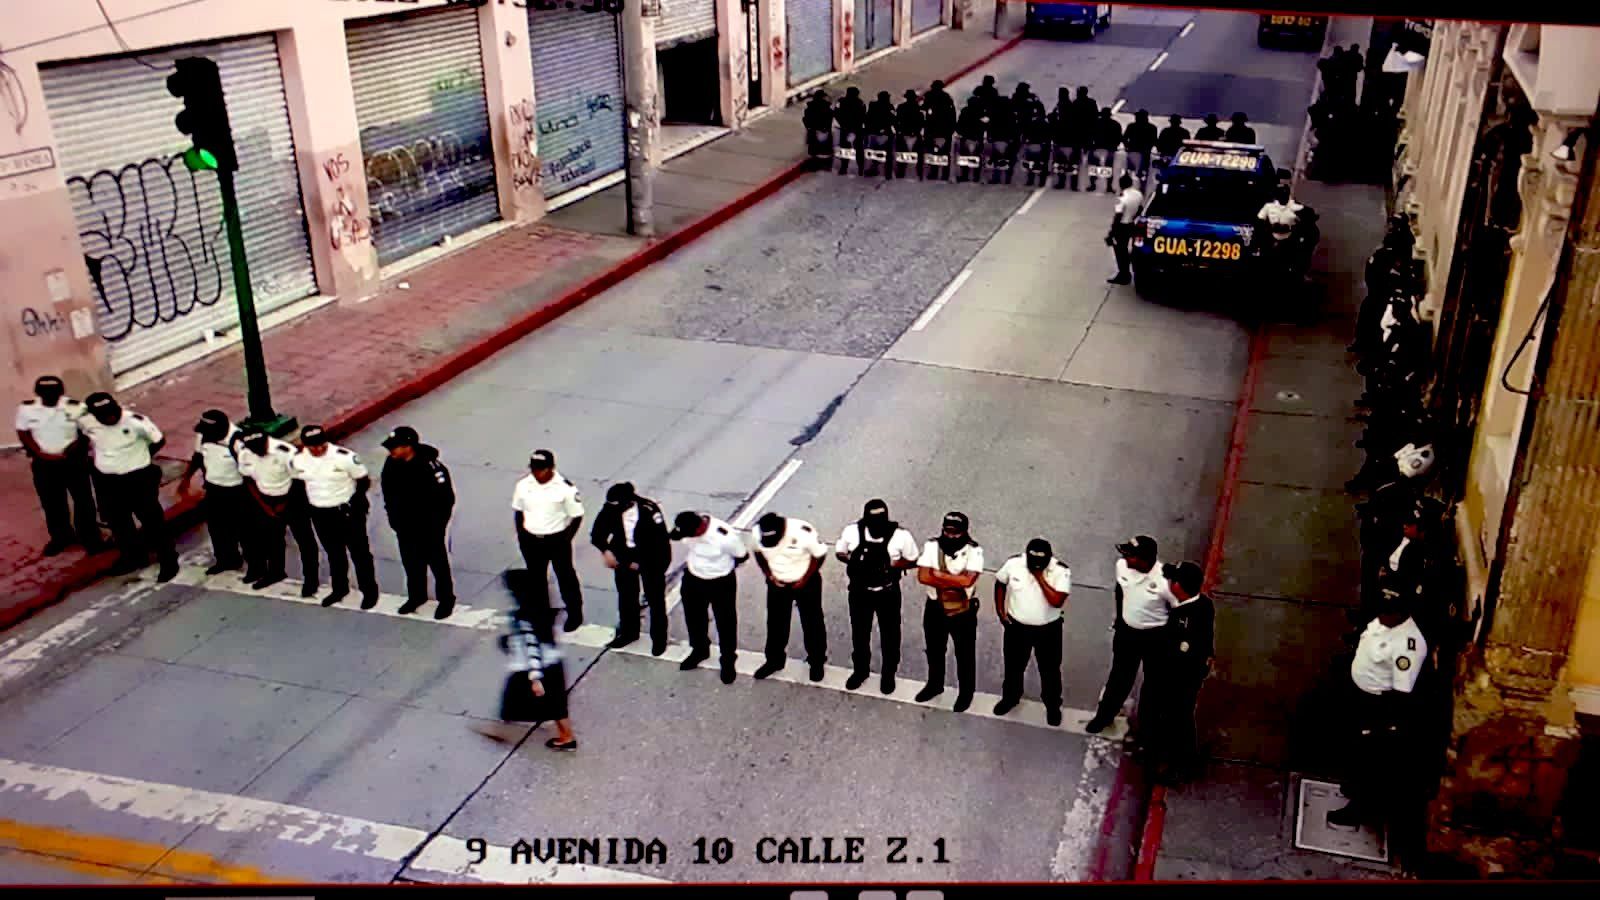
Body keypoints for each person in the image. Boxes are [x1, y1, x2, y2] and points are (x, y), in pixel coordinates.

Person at [1326, 588, 1428, 828]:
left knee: (1369, 760)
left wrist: (1382, 725)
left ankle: (1358, 811)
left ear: (1402, 613)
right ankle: (1352, 784)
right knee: (1352, 747)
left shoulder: (1408, 645)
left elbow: (1401, 694)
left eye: (1389, 613)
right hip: (1358, 694)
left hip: (1377, 705)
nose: (1382, 616)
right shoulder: (1384, 621)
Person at [79, 392, 177, 581]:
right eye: (104, 415)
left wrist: (139, 457)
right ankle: (133, 557)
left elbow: (158, 440)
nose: (110, 417)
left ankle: (168, 559)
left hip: (138, 478)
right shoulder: (87, 422)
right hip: (108, 481)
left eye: (112, 412)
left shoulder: (135, 422)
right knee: (119, 522)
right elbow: (84, 439)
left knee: (151, 520)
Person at [1086, 535, 1172, 733]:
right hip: (1128, 634)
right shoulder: (1122, 566)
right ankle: (1104, 716)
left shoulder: (1165, 581)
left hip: (1155, 637)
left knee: (1153, 684)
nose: (1125, 558)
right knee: (1119, 677)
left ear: (1144, 559)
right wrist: (1120, 618)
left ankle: (1146, 727)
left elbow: (1177, 610)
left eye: (1131, 556)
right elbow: (1120, 589)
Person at [485, 569, 577, 751]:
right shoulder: (544, 610)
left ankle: (500, 730)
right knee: (556, 704)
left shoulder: (524, 616)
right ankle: (567, 737)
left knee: (511, 700)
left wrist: (535, 677)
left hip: (531, 667)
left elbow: (531, 645)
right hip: (554, 663)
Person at [835, 499, 920, 694]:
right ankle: (860, 671)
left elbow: (914, 560)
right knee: (860, 632)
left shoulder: (901, 536)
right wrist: (856, 561)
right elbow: (840, 552)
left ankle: (888, 674)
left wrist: (892, 565)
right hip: (859, 591)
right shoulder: (852, 532)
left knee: (890, 635)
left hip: (887, 592)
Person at [293, 425, 380, 609]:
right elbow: (300, 482)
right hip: (320, 513)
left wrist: (355, 503)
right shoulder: (299, 460)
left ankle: (369, 591)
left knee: (359, 553)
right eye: (312, 446)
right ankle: (340, 588)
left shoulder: (344, 457)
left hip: (345, 511)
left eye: (320, 444)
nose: (317, 449)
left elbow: (363, 480)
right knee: (334, 553)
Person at [16, 375, 103, 556]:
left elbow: (88, 431)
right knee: (52, 503)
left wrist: (75, 447)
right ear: (39, 393)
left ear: (61, 392)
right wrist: (39, 452)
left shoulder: (76, 408)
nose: (51, 396)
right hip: (44, 463)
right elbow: (23, 432)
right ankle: (61, 537)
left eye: (54, 393)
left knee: (83, 501)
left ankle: (90, 538)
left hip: (73, 462)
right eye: (46, 393)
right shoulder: (27, 409)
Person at [1146, 561, 1214, 783]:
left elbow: (1180, 655)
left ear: (1179, 586)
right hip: (1185, 673)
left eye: (1173, 580)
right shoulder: (1203, 604)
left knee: (1179, 721)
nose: (1170, 582)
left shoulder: (1187, 618)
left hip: (1181, 679)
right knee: (1175, 719)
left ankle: (1181, 766)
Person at [380, 426, 456, 619]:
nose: (391, 451)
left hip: (429, 528)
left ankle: (446, 600)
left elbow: (446, 500)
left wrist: (436, 527)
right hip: (405, 527)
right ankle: (417, 596)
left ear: (408, 447)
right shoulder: (391, 464)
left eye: (395, 447)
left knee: (438, 564)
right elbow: (388, 493)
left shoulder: (431, 467)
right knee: (411, 563)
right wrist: (394, 520)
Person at [993, 538, 1070, 726]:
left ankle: (1052, 706)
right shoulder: (1014, 564)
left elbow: (1057, 601)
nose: (1035, 565)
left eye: (1039, 563)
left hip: (1048, 630)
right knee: (1013, 667)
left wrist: (1039, 576)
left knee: (1050, 670)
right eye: (1031, 561)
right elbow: (1000, 583)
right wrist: (1001, 612)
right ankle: (1010, 698)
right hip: (1017, 628)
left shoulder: (1060, 571)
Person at [914, 511, 984, 712]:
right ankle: (934, 685)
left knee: (964, 653)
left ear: (964, 532)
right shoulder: (931, 546)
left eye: (955, 533)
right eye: (947, 531)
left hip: (963, 611)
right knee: (934, 649)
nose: (951, 536)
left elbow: (968, 580)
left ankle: (966, 693)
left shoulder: (974, 551)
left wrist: (937, 575)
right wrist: (953, 581)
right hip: (935, 606)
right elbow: (923, 576)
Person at [235, 425, 319, 594]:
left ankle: (311, 580)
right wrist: (264, 505)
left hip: (293, 500)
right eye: (254, 449)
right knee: (271, 539)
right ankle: (275, 572)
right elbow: (248, 479)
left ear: (267, 440)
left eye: (260, 447)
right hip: (266, 500)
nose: (258, 452)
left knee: (305, 541)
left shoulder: (285, 452)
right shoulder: (245, 453)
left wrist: (284, 504)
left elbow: (299, 481)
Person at [589, 482, 671, 654]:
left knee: (655, 600)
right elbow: (597, 534)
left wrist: (649, 566)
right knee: (626, 597)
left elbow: (661, 542)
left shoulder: (649, 510)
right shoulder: (611, 508)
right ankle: (628, 632)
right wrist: (606, 551)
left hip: (651, 558)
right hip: (624, 556)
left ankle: (659, 639)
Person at [510, 448, 585, 630]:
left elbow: (577, 515)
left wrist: (566, 538)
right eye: (534, 468)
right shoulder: (523, 485)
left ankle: (575, 613)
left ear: (551, 468)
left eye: (541, 469)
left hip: (556, 539)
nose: (537, 473)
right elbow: (519, 511)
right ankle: (541, 613)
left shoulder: (565, 488)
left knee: (565, 577)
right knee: (536, 579)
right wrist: (522, 535)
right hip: (531, 540)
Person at [670, 510, 748, 684]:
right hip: (693, 577)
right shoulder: (687, 525)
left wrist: (721, 568)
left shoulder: (724, 536)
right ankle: (699, 649)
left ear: (699, 529)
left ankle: (728, 659)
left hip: (720, 582)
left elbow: (742, 556)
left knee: (725, 621)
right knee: (694, 617)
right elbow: (676, 535)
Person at [751, 511, 829, 681]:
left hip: (805, 583)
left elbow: (819, 555)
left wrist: (805, 578)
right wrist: (769, 575)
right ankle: (774, 661)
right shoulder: (758, 532)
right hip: (777, 584)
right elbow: (757, 553)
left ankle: (816, 662)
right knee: (775, 624)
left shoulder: (802, 532)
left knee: (812, 623)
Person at [178, 409, 248, 578]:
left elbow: (250, 470)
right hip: (214, 488)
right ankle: (226, 560)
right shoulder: (204, 436)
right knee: (217, 528)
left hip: (236, 490)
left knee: (242, 528)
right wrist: (186, 479)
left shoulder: (238, 442)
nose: (205, 436)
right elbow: (198, 457)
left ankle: (254, 561)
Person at [1105, 172, 1144, 285]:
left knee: (1120, 251)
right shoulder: (1138, 194)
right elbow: (1140, 209)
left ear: (1121, 184)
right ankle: (1126, 273)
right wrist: (1133, 217)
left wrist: (1111, 233)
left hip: (1121, 226)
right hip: (1131, 224)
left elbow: (1118, 216)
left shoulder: (1122, 198)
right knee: (1125, 250)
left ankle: (1124, 274)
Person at [923, 80, 957, 181]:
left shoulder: (929, 96)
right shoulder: (947, 97)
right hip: (945, 130)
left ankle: (934, 172)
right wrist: (951, 129)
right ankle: (944, 174)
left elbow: (925, 108)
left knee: (933, 152)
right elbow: (952, 114)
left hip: (932, 129)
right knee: (944, 153)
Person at [1049, 87, 1082, 191]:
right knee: (1071, 164)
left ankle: (1062, 182)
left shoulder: (1061, 107)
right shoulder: (1071, 106)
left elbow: (1053, 120)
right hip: (1071, 139)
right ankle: (1073, 184)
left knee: (1062, 163)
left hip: (1063, 139)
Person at [1089, 107, 1123, 193]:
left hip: (1097, 146)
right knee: (1108, 167)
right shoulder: (1115, 124)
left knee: (1094, 167)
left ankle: (1093, 184)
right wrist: (1115, 145)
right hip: (1110, 148)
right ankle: (1108, 186)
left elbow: (1090, 135)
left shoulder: (1095, 123)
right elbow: (1119, 137)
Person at [863, 90, 897, 178]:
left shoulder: (872, 105)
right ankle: (888, 172)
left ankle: (873, 168)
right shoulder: (890, 107)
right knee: (889, 154)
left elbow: (867, 118)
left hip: (874, 133)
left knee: (873, 152)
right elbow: (893, 120)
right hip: (886, 133)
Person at [834, 86, 867, 175]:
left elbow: (836, 113)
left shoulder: (841, 101)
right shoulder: (860, 103)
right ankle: (860, 168)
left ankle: (844, 167)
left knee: (845, 148)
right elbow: (863, 116)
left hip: (845, 128)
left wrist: (841, 123)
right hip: (857, 129)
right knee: (859, 149)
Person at [955, 95, 988, 183]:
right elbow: (985, 125)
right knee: (978, 157)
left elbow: (959, 124)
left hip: (966, 138)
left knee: (964, 157)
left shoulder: (965, 111)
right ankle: (976, 176)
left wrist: (959, 133)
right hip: (977, 138)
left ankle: (965, 176)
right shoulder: (981, 112)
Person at [894, 89, 925, 179]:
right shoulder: (919, 108)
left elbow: (896, 121)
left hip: (903, 133)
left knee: (901, 154)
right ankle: (919, 173)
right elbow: (922, 122)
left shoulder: (901, 107)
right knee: (919, 155)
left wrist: (898, 131)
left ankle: (901, 172)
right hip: (915, 134)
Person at [1122, 109, 1159, 183]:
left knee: (1128, 167)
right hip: (1145, 153)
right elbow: (1155, 141)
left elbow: (1124, 138)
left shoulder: (1131, 126)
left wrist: (1127, 147)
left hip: (1133, 151)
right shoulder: (1152, 128)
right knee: (1145, 170)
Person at [802, 90, 833, 166]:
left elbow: (806, 120)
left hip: (815, 131)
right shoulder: (827, 109)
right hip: (822, 130)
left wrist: (809, 127)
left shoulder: (810, 108)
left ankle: (816, 159)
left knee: (815, 146)